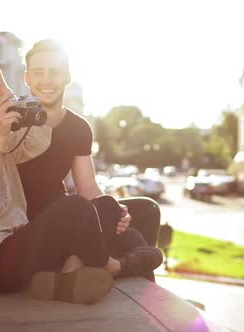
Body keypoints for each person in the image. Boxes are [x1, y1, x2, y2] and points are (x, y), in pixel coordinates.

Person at [0, 39, 134, 304]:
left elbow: (36, 142)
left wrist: (4, 91)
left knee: (106, 207)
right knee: (77, 208)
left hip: (5, 245)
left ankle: (65, 279)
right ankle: (117, 266)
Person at [17, 40, 162, 281]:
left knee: (143, 215)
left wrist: (116, 210)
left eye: (55, 72)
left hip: (69, 218)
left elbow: (87, 187)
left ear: (67, 76)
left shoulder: (78, 127)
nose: (46, 80)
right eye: (38, 72)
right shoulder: (13, 120)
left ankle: (94, 269)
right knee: (137, 247)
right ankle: (80, 270)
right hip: (29, 226)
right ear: (27, 78)